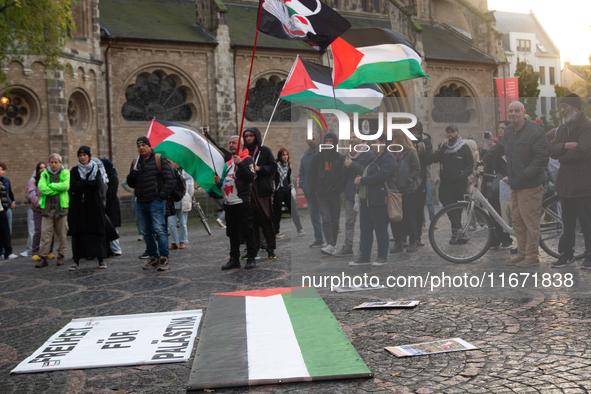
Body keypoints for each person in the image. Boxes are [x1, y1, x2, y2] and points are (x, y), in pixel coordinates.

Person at [482, 101, 548, 267]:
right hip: (516, 185)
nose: (513, 114)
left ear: (523, 112)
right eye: (510, 111)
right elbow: (499, 148)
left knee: (530, 222)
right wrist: (483, 160)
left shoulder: (535, 131)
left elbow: (541, 158)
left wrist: (525, 176)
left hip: (530, 184)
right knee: (517, 221)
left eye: (517, 111)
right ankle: (523, 253)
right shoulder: (510, 131)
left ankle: (532, 256)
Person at [549, 93, 591, 269]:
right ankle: (567, 254)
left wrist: (563, 156)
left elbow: (583, 150)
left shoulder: (587, 126)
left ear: (576, 108)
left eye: (566, 106)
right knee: (567, 223)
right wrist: (566, 146)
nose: (563, 110)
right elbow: (551, 150)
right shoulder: (562, 128)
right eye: (562, 106)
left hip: (583, 185)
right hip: (565, 184)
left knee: (587, 222)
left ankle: (589, 255)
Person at [127, 136, 176, 271]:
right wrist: (131, 175)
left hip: (155, 202)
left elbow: (169, 180)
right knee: (146, 232)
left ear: (149, 147)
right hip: (141, 202)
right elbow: (131, 183)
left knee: (159, 230)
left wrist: (160, 197)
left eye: (143, 145)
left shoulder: (159, 159)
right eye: (139, 146)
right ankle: (153, 257)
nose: (141, 148)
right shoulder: (135, 162)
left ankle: (164, 257)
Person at [349, 133, 395, 266]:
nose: (372, 145)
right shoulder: (374, 158)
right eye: (372, 142)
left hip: (380, 199)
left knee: (380, 229)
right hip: (367, 200)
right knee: (365, 229)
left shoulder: (388, 158)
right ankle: (364, 256)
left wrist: (362, 180)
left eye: (375, 142)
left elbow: (381, 176)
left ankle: (382, 257)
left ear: (383, 143)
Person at [214, 135, 257, 269]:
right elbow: (224, 182)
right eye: (229, 143)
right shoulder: (228, 163)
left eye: (233, 143)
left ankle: (251, 257)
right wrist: (218, 182)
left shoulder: (248, 159)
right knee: (232, 232)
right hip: (229, 202)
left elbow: (250, 177)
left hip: (241, 201)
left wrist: (241, 164)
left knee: (248, 230)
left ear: (241, 145)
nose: (230, 145)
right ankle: (234, 259)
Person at [430, 125, 474, 244]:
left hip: (459, 185)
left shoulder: (464, 148)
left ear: (457, 133)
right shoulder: (442, 147)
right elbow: (434, 159)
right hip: (445, 185)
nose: (450, 134)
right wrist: (443, 147)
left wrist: (462, 175)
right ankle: (459, 232)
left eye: (452, 132)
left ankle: (456, 235)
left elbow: (471, 165)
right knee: (450, 209)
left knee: (457, 210)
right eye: (448, 132)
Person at [335, 131, 375, 257]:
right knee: (349, 222)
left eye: (354, 137)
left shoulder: (369, 154)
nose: (351, 139)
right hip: (350, 192)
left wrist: (352, 164)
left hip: (364, 192)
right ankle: (348, 246)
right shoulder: (348, 154)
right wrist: (346, 167)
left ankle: (363, 246)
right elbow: (343, 175)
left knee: (365, 222)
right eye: (350, 137)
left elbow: (367, 172)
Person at [68, 146, 108, 270]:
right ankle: (76, 261)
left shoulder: (96, 169)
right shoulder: (74, 170)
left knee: (96, 230)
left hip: (94, 205)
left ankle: (101, 259)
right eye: (80, 155)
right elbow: (73, 185)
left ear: (89, 157)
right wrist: (85, 184)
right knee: (78, 232)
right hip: (78, 206)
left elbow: (97, 185)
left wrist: (81, 183)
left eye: (84, 155)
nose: (82, 157)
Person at [243, 128, 277, 259]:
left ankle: (270, 249)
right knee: (252, 223)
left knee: (267, 220)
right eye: (246, 137)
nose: (249, 139)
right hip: (249, 191)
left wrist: (260, 168)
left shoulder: (265, 151)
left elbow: (273, 168)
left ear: (256, 137)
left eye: (251, 136)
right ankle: (254, 249)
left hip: (262, 190)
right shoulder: (244, 153)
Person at [309, 132, 345, 256]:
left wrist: (339, 189)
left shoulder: (339, 158)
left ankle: (333, 244)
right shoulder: (318, 157)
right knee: (325, 219)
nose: (329, 143)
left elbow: (343, 176)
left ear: (334, 143)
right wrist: (315, 190)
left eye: (331, 141)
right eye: (327, 141)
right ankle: (330, 244)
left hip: (335, 194)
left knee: (335, 221)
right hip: (322, 194)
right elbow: (311, 175)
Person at [36, 154, 70, 268]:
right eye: (52, 162)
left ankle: (61, 255)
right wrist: (56, 189)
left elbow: (65, 186)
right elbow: (42, 188)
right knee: (45, 234)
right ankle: (43, 257)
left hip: (61, 208)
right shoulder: (44, 174)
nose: (54, 164)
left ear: (60, 163)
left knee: (62, 234)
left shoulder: (65, 172)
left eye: (56, 162)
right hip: (47, 209)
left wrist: (51, 186)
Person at [390, 130, 421, 253]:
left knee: (409, 217)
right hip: (394, 190)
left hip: (407, 190)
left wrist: (407, 179)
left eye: (393, 138)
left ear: (399, 139)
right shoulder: (391, 153)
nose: (391, 141)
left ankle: (413, 241)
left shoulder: (410, 153)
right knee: (396, 217)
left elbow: (417, 169)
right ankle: (398, 242)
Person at [299, 132, 324, 248]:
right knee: (314, 217)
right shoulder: (304, 158)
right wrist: (304, 187)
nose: (311, 141)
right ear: (306, 141)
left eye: (313, 139)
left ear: (317, 140)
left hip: (323, 191)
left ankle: (331, 242)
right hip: (310, 192)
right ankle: (319, 240)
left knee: (327, 217)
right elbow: (302, 174)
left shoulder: (324, 154)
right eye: (309, 139)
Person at [273, 148, 304, 238]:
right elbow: (272, 178)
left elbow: (289, 177)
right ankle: (276, 231)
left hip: (287, 191)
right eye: (283, 155)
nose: (285, 157)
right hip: (278, 191)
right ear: (280, 156)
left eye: (286, 155)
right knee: (277, 213)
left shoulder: (288, 165)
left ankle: (299, 229)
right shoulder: (275, 165)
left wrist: (292, 183)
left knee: (293, 210)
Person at [410, 121, 432, 246]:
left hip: (421, 180)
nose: (414, 133)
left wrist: (422, 151)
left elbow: (429, 160)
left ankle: (417, 236)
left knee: (419, 209)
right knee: (409, 210)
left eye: (416, 130)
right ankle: (407, 235)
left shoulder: (426, 142)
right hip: (408, 180)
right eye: (412, 130)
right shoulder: (406, 142)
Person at [26, 163, 52, 260]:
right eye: (40, 168)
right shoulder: (32, 181)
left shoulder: (49, 179)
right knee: (38, 231)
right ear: (37, 170)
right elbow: (31, 196)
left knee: (49, 232)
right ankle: (35, 252)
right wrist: (42, 205)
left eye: (44, 167)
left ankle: (49, 251)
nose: (43, 169)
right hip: (38, 210)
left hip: (49, 209)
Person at [168, 163, 194, 249]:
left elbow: (190, 189)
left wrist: (187, 199)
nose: (175, 163)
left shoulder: (187, 173)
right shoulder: (170, 172)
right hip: (172, 201)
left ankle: (182, 241)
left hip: (183, 201)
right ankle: (174, 242)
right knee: (171, 223)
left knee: (182, 223)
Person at [101, 158, 122, 256]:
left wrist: (107, 202)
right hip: (106, 204)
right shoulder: (104, 176)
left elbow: (112, 191)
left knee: (112, 227)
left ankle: (116, 248)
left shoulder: (112, 176)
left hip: (111, 204)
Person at [0, 163, 17, 259]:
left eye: (3, 170)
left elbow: (9, 192)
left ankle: (8, 252)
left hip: (4, 208)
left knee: (6, 230)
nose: (3, 172)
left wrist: (12, 201)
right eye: (1, 169)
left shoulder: (5, 181)